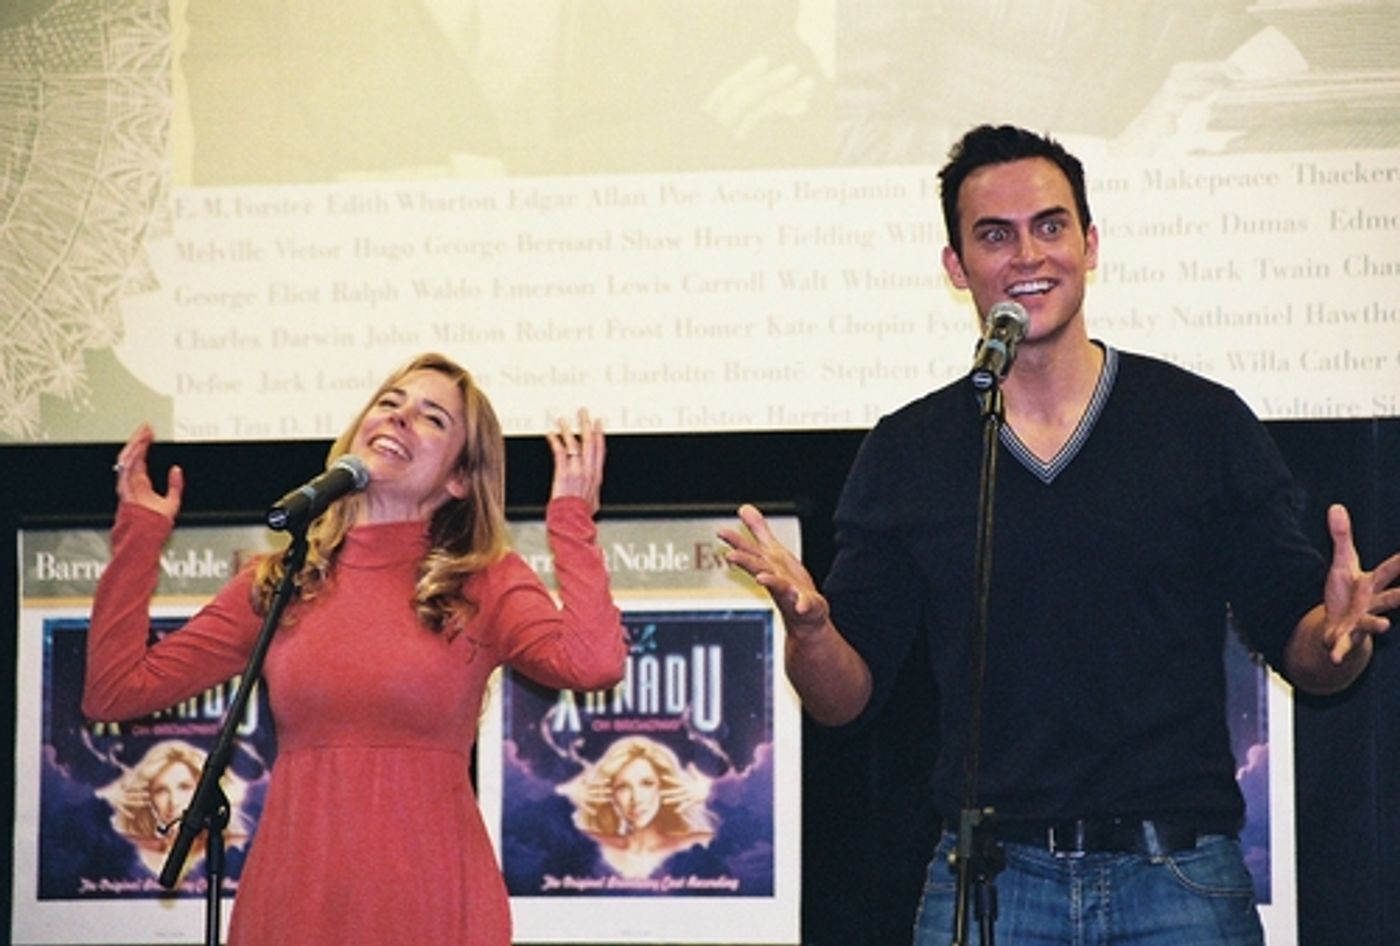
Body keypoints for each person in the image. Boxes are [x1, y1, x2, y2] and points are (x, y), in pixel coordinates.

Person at [721, 124, 1400, 944]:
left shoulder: (1200, 423)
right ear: (955, 266)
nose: (1027, 256)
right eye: (994, 236)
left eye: (1050, 226)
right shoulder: (910, 451)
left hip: (1178, 879)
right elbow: (843, 700)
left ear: (1090, 243)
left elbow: (1307, 648)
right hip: (990, 884)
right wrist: (810, 632)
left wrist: (1339, 637)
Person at [83, 351, 627, 946]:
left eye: (432, 418)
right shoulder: (282, 581)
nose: (398, 417)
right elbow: (115, 692)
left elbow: (593, 662)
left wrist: (571, 519)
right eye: (389, 403)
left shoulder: (485, 579)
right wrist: (140, 535)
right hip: (296, 896)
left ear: (460, 479)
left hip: (427, 898)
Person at [560, 735, 716, 879]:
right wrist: (569, 793)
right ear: (611, 795)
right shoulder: (590, 843)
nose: (636, 798)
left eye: (646, 784)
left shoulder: (698, 843)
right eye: (622, 787)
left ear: (663, 787)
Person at [97, 739, 245, 878]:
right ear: (148, 798)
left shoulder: (234, 848)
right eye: (161, 790)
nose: (173, 801)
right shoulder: (128, 850)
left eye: (184, 787)